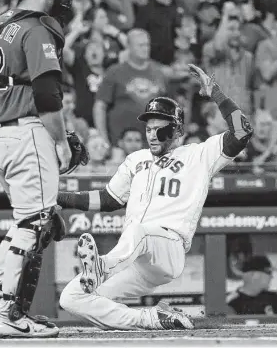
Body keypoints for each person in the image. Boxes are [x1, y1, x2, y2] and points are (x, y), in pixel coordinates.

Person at [56, 64, 253, 331]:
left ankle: (102, 266)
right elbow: (107, 200)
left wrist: (215, 93)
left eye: (158, 127)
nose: (151, 134)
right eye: (148, 128)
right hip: (135, 263)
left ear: (176, 130)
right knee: (72, 298)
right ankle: (149, 319)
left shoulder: (198, 155)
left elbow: (242, 132)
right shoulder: (135, 159)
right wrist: (60, 198)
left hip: (168, 247)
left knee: (139, 231)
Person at [0, 0, 75, 338]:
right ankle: (10, 314)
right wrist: (61, 141)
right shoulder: (36, 27)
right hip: (24, 131)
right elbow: (47, 94)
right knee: (37, 223)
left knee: (24, 222)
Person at [93, 29, 169, 147]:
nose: (145, 48)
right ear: (128, 46)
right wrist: (103, 139)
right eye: (140, 45)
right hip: (120, 144)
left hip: (153, 144)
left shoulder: (158, 72)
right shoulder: (114, 72)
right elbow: (100, 107)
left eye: (147, 44)